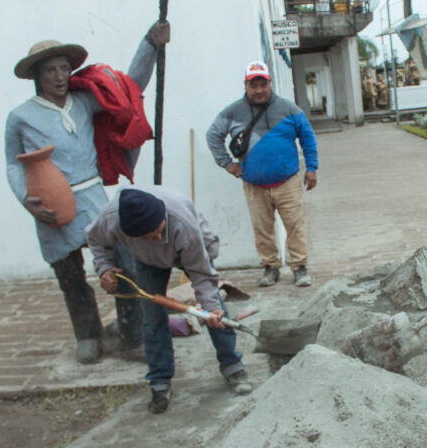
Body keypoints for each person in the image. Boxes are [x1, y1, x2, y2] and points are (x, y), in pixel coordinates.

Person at [5, 21, 170, 364]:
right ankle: (88, 335)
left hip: (93, 196)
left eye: (65, 68)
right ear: (38, 74)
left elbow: (129, 87)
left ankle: (132, 334)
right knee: (69, 273)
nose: (60, 76)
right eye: (50, 70)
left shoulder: (84, 102)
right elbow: (13, 164)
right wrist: (26, 200)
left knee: (122, 263)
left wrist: (149, 44)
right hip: (50, 204)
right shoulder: (20, 117)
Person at [86, 186, 252, 414]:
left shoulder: (182, 224)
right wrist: (104, 267)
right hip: (147, 261)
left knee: (215, 311)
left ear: (162, 217)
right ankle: (159, 382)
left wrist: (211, 307)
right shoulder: (110, 219)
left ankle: (233, 366)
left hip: (195, 250)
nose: (157, 238)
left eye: (158, 230)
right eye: (148, 236)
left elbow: (202, 275)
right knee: (152, 318)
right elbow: (95, 240)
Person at [206, 61, 319, 288]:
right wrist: (227, 164)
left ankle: (299, 267)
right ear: (246, 85)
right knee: (262, 229)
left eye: (262, 84)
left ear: (270, 83)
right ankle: (270, 267)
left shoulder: (289, 109)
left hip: (287, 182)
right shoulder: (232, 111)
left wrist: (311, 168)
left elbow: (307, 136)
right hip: (254, 185)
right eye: (253, 85)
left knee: (295, 226)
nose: (258, 90)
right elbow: (213, 135)